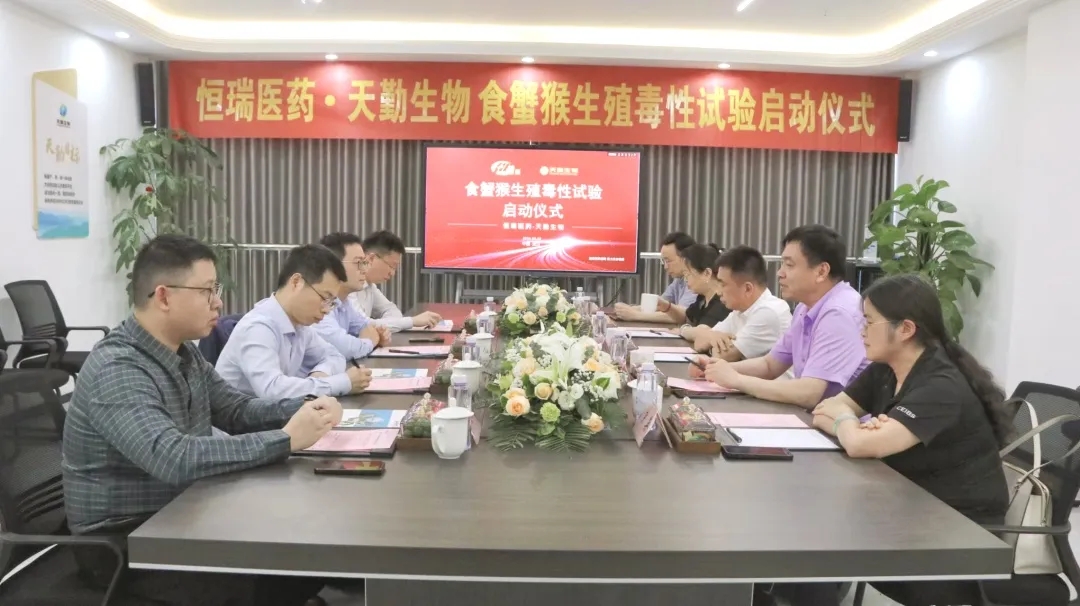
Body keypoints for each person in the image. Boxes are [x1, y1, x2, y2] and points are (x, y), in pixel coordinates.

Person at [62, 234, 337, 606]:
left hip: (183, 511)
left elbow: (237, 410)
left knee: (305, 540)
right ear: (163, 297)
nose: (218, 302)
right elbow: (175, 458)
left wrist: (308, 406)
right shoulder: (118, 368)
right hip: (126, 544)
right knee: (284, 564)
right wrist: (286, 439)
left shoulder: (184, 354)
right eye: (207, 291)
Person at [760, 274, 1013, 606]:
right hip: (906, 505)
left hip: (955, 531)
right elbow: (826, 409)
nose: (861, 330)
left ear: (905, 329)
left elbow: (859, 443)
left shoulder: (940, 385)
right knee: (801, 517)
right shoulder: (886, 367)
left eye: (869, 322)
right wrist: (854, 425)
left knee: (816, 530)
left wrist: (849, 425)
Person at [695, 225, 868, 408]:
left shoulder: (839, 313)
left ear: (821, 271)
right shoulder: (805, 307)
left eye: (789, 265)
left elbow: (810, 393)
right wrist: (713, 367)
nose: (780, 273)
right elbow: (770, 365)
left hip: (838, 422)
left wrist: (736, 380)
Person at [216, 244, 372, 399]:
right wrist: (341, 383)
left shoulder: (299, 326)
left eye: (331, 302)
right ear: (296, 282)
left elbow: (334, 355)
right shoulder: (258, 327)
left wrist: (321, 376)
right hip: (239, 415)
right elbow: (272, 389)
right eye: (325, 298)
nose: (327, 310)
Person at [687, 246, 792, 360]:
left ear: (747, 289)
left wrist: (710, 341)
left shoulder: (768, 312)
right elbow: (700, 343)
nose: (718, 291)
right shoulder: (740, 310)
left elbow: (722, 356)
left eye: (723, 284)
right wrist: (711, 337)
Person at [315, 232, 392, 360]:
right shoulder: (318, 302)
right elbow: (344, 348)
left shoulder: (344, 301)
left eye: (364, 263)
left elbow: (368, 328)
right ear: (334, 265)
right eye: (358, 263)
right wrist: (371, 341)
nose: (364, 270)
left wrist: (376, 336)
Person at [347, 230, 442, 331]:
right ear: (371, 258)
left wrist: (383, 327)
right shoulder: (348, 285)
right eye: (392, 266)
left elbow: (391, 310)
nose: (392, 273)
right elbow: (361, 325)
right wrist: (412, 321)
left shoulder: (369, 285)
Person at [613, 231, 698, 323]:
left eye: (668, 261)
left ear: (685, 259)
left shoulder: (696, 279)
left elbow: (683, 315)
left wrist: (635, 315)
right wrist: (629, 309)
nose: (665, 267)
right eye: (663, 261)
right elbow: (660, 305)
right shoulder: (679, 279)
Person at [669, 243, 731, 342]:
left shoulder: (722, 301)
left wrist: (683, 330)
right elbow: (687, 316)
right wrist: (666, 306)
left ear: (707, 273)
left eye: (687, 274)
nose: (685, 280)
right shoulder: (702, 298)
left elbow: (702, 332)